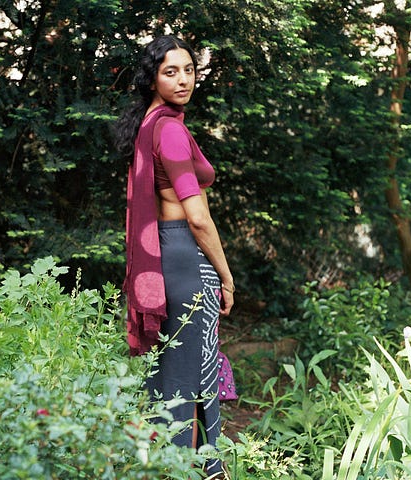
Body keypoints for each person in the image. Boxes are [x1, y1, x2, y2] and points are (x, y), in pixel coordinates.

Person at [114, 35, 235, 476]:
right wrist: (226, 275)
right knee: (193, 381)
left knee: (169, 379)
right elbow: (198, 217)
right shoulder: (170, 130)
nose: (184, 80)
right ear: (152, 79)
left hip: (163, 259)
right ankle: (198, 470)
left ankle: (165, 467)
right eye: (171, 72)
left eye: (189, 70)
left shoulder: (148, 125)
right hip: (186, 258)